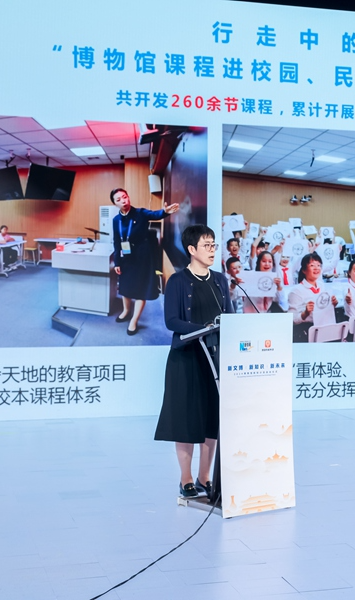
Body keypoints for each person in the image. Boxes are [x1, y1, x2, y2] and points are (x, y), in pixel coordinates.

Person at [155, 224, 233, 499]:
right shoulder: (177, 281)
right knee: (187, 420)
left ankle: (204, 477)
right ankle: (186, 479)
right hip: (186, 359)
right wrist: (204, 328)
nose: (212, 250)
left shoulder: (220, 280)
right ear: (191, 249)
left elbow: (229, 316)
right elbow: (171, 321)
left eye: (214, 245)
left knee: (212, 419)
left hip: (214, 359)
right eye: (206, 245)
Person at [110, 188, 179, 335]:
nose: (123, 200)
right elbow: (116, 242)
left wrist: (165, 211)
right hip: (126, 257)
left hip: (143, 257)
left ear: (128, 197)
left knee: (141, 289)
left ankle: (134, 320)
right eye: (119, 199)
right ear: (115, 203)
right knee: (125, 286)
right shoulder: (116, 220)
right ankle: (126, 311)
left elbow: (155, 214)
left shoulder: (140, 213)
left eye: (124, 197)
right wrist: (117, 262)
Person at [287, 252, 338, 343]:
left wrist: (332, 304)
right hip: (306, 332)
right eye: (312, 265)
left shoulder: (322, 286)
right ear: (304, 270)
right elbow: (291, 319)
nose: (316, 268)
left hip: (325, 328)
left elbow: (324, 309)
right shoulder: (296, 291)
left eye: (318, 265)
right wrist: (305, 313)